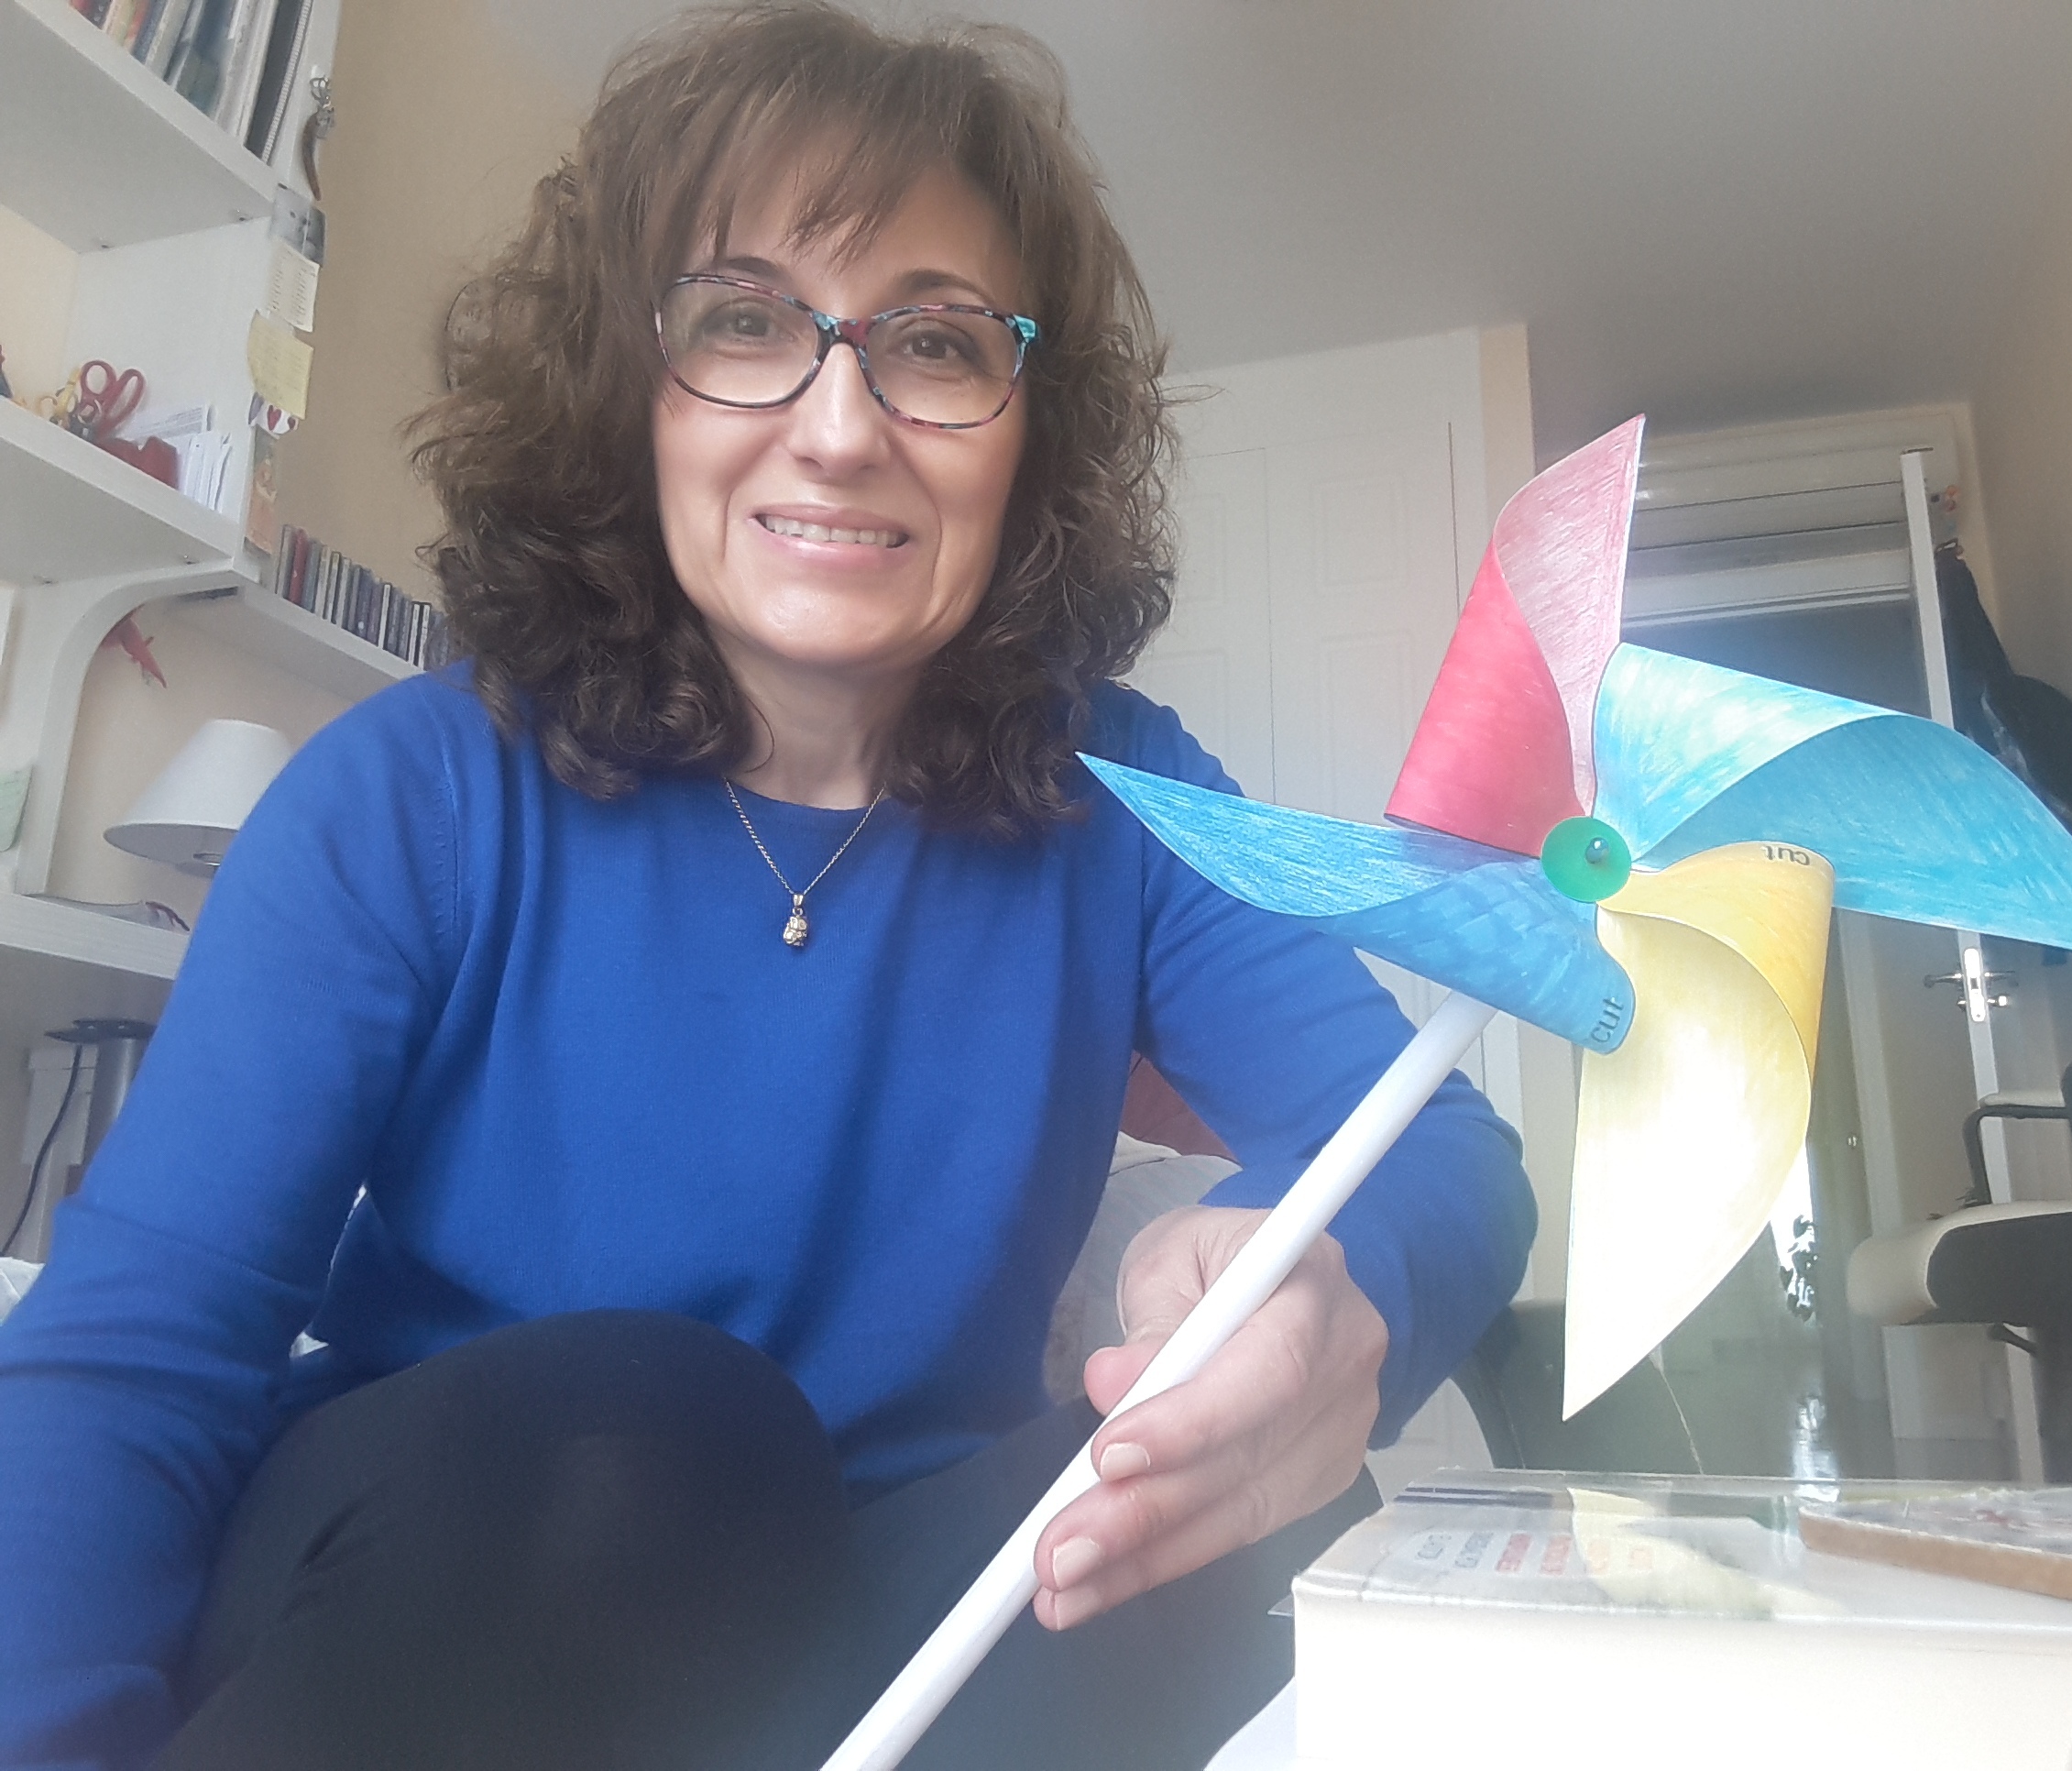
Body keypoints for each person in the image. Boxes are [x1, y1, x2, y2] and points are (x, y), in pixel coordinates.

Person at [0, 7, 1533, 1768]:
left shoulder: (1123, 800)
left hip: (850, 1636)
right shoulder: (413, 790)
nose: (841, 427)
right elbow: (137, 1359)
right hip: (436, 1608)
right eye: (744, 321)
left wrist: (1334, 1293)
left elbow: (1441, 1153)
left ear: (1028, 430)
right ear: (626, 389)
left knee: (1247, 1542)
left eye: (936, 345)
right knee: (658, 1444)